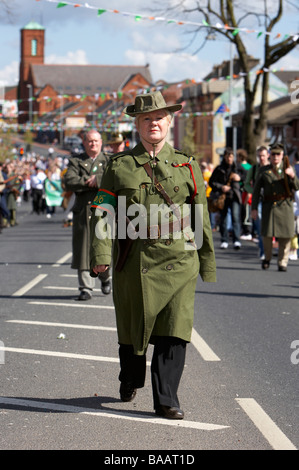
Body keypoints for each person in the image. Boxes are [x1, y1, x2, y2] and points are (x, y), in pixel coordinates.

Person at [89, 91, 216, 419]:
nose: (153, 123)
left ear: (169, 121)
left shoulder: (187, 165)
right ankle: (130, 377)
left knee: (175, 328)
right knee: (133, 330)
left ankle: (166, 399)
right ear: (137, 123)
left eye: (159, 117)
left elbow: (199, 215)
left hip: (180, 259)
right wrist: (101, 253)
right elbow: (103, 212)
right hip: (135, 260)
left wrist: (206, 261)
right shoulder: (120, 166)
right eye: (147, 118)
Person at [64, 130, 111, 300]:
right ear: (84, 143)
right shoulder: (76, 160)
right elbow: (69, 181)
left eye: (96, 141)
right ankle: (86, 288)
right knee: (83, 249)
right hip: (83, 211)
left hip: (105, 211)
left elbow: (115, 179)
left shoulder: (108, 160)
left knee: (104, 247)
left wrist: (98, 179)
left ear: (101, 142)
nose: (93, 144)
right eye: (89, 141)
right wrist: (87, 181)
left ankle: (105, 278)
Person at [251, 143, 299, 271]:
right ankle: (267, 257)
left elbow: (297, 187)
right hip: (269, 207)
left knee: (286, 236)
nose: (275, 157)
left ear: (282, 155)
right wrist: (254, 208)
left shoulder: (289, 168)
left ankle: (282, 262)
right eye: (273, 154)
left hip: (285, 206)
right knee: (266, 235)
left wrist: (292, 176)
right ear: (269, 155)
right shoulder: (263, 170)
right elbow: (256, 191)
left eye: (278, 154)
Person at [209, 147, 242, 249]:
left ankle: (236, 240)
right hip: (222, 197)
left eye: (231, 156)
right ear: (225, 157)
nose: (229, 158)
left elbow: (246, 180)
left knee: (235, 217)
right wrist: (221, 187)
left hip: (234, 195)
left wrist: (239, 178)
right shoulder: (219, 169)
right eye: (228, 156)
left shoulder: (237, 168)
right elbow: (211, 182)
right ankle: (224, 240)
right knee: (223, 218)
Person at [244, 145, 269, 258]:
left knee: (270, 227)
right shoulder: (254, 169)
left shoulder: (272, 167)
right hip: (259, 201)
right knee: (260, 226)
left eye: (263, 155)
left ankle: (269, 248)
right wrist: (254, 191)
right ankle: (263, 251)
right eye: (259, 156)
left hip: (271, 201)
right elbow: (246, 184)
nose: (261, 158)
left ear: (267, 155)